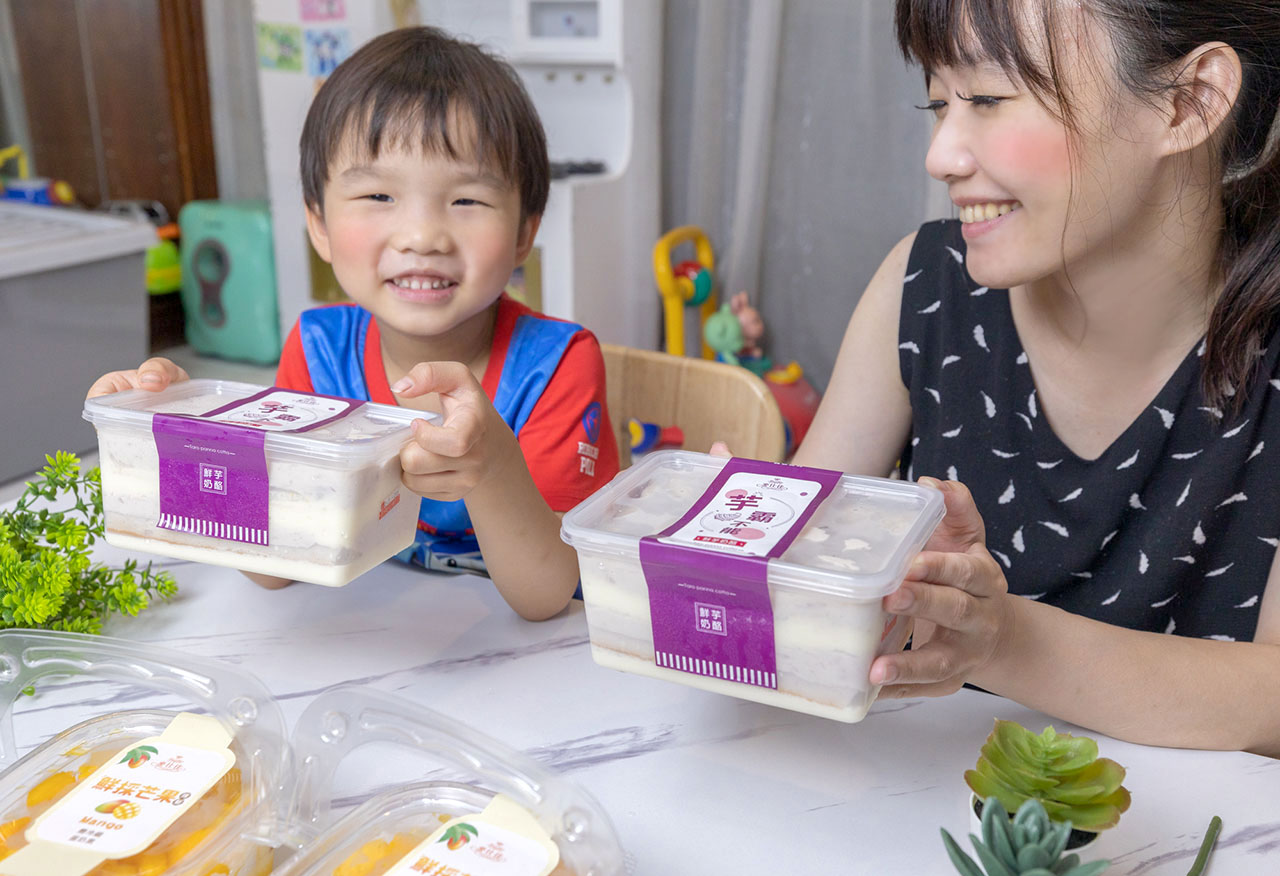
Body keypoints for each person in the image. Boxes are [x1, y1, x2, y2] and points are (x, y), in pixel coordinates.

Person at [792, 1, 1280, 755]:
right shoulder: (922, 286)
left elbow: (1271, 701)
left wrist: (1000, 639)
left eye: (987, 99)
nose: (943, 154)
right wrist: (734, 547)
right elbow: (799, 580)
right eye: (938, 102)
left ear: (1191, 103)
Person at [87, 27, 619, 621]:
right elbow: (273, 569)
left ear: (525, 231)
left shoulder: (556, 364)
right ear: (318, 224)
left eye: (466, 200)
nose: (422, 237)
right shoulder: (319, 352)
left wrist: (492, 463)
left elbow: (547, 595)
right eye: (378, 197)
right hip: (370, 640)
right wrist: (192, 433)